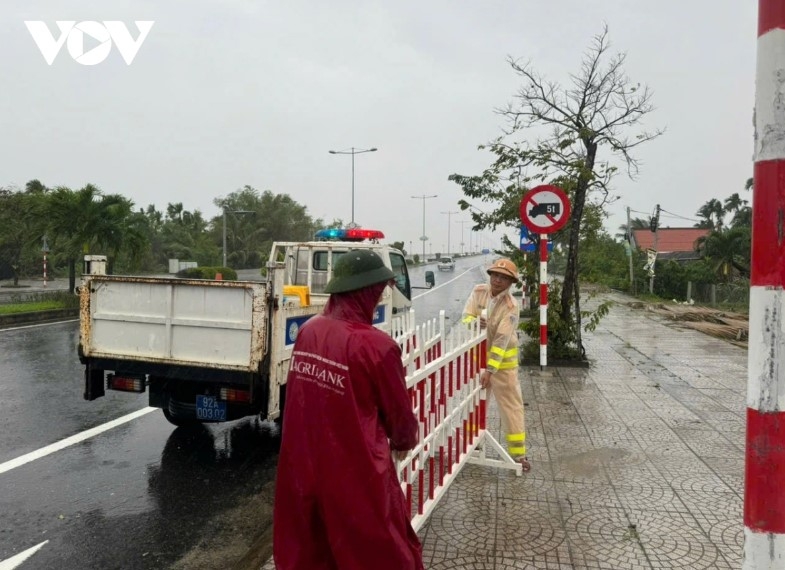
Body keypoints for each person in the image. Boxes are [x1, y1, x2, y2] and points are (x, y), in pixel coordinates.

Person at [273, 249, 424, 570]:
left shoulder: (309, 330)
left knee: (312, 549)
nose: (383, 295)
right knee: (380, 551)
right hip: (356, 472)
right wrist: (405, 442)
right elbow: (400, 422)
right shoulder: (377, 346)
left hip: (303, 464)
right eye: (380, 290)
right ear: (367, 292)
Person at [461, 257, 530, 472]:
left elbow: (501, 340)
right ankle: (474, 443)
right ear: (490, 275)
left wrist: (490, 370)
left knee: (511, 407)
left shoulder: (511, 306)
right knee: (475, 402)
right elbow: (466, 317)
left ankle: (518, 454)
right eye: (496, 275)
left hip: (503, 366)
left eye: (504, 278)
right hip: (478, 359)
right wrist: (474, 322)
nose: (498, 280)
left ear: (511, 283)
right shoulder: (479, 291)